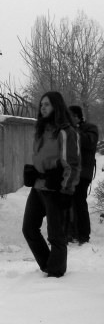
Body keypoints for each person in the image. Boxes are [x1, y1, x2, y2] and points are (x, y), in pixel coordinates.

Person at [21, 91, 80, 277]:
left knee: (56, 235)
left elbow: (73, 164)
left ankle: (56, 273)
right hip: (38, 186)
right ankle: (48, 266)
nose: (43, 108)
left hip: (55, 189)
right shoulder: (41, 129)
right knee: (29, 228)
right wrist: (33, 170)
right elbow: (40, 156)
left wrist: (66, 190)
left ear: (57, 106)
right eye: (41, 105)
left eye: (47, 104)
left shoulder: (66, 132)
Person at [67, 104, 99, 244]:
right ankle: (71, 232)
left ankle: (83, 235)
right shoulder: (68, 130)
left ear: (77, 117)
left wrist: (74, 131)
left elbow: (89, 142)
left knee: (79, 202)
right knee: (68, 202)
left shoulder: (90, 128)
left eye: (71, 116)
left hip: (83, 172)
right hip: (69, 172)